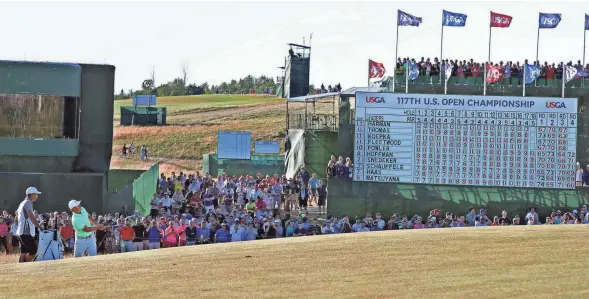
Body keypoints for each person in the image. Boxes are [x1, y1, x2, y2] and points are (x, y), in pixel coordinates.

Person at [15, 187, 42, 263]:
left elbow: (16, 213)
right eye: (36, 194)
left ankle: (21, 268)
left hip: (21, 231)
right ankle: (26, 265)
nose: (37, 196)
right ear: (32, 195)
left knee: (23, 253)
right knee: (34, 251)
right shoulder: (28, 203)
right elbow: (31, 216)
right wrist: (38, 226)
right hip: (25, 233)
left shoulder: (23, 203)